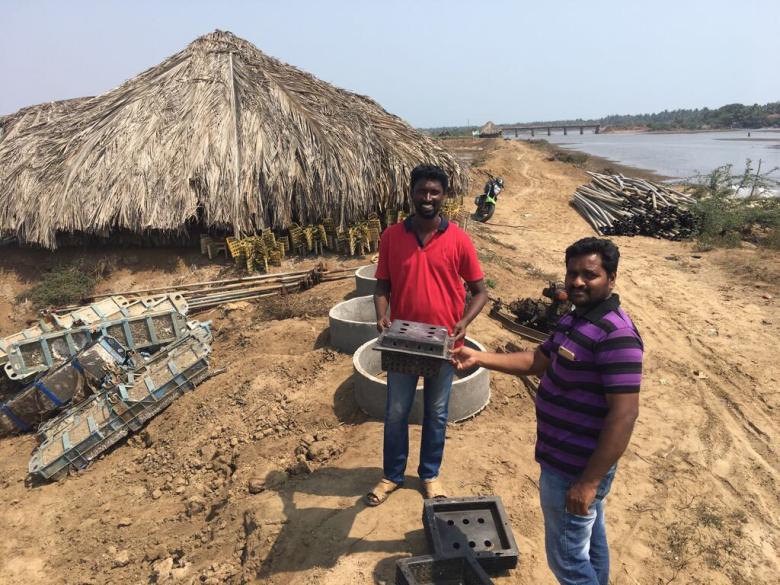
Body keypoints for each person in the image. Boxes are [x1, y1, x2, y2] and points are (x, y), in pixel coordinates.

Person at [452, 237, 642, 585]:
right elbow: (538, 360)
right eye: (572, 273)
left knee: (567, 562)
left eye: (590, 274)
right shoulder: (577, 319)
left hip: (576, 468)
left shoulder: (617, 335)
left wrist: (587, 482)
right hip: (561, 460)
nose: (578, 282)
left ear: (611, 278)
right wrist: (479, 358)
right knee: (589, 543)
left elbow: (624, 415)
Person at [365, 164, 488, 506]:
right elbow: (382, 285)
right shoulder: (392, 236)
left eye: (435, 192)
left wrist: (464, 322)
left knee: (436, 412)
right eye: (422, 191)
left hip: (445, 345)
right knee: (396, 411)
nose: (428, 198)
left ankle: (430, 475)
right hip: (404, 342)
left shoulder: (459, 240)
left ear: (443, 196)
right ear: (412, 193)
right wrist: (382, 314)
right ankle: (391, 475)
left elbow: (479, 291)